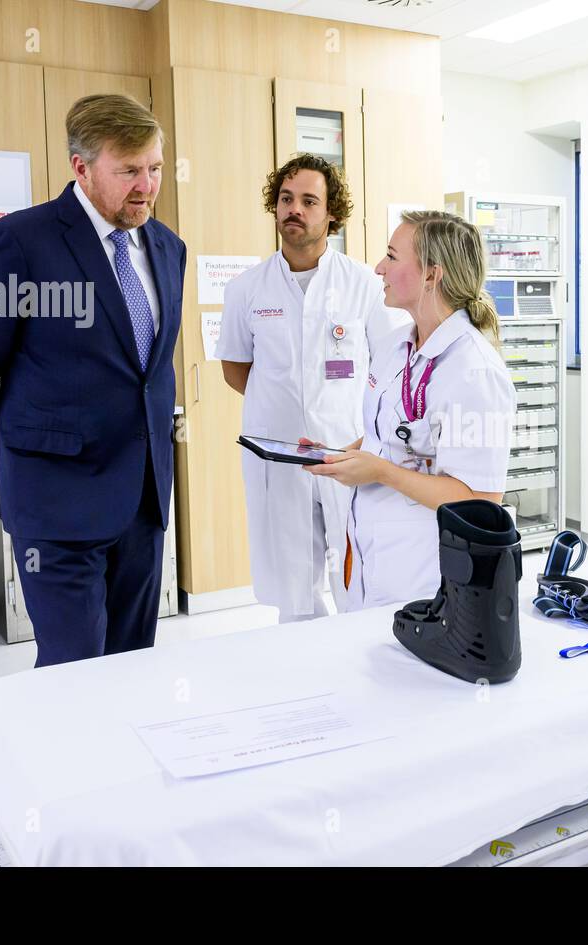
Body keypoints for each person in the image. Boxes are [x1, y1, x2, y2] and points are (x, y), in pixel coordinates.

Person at [0, 94, 186, 667]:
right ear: (81, 166)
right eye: (128, 171)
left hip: (143, 502)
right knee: (73, 672)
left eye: (155, 168)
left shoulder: (168, 248)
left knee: (132, 663)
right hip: (56, 506)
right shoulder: (22, 243)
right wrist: (16, 453)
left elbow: (148, 372)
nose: (146, 185)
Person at [216, 155, 405, 622]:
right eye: (285, 199)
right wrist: (284, 406)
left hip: (347, 452)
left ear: (331, 214)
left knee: (355, 577)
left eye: (308, 200)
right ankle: (302, 671)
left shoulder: (364, 284)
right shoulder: (247, 289)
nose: (293, 209)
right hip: (278, 458)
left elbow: (390, 368)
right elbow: (236, 369)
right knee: (293, 590)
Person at [306, 210, 516, 610]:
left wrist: (380, 471)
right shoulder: (394, 347)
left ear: (430, 276)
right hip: (370, 553)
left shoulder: (474, 371)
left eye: (392, 256)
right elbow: (387, 435)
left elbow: (481, 500)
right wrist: (340, 456)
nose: (379, 267)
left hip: (421, 572)